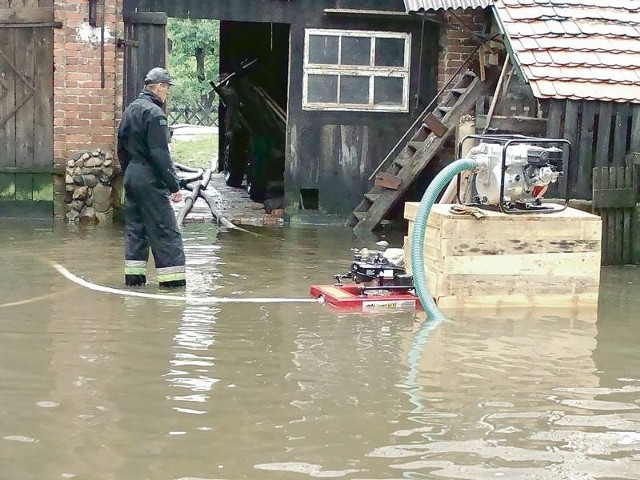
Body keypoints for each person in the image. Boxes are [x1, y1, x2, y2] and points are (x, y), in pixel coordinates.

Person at [117, 67, 186, 288]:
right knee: (165, 230)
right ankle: (173, 284)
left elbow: (121, 148)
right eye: (167, 88)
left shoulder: (130, 110)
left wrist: (129, 172)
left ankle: (134, 281)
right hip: (149, 177)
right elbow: (160, 154)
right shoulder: (155, 114)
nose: (168, 94)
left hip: (131, 175)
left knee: (136, 230)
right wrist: (174, 186)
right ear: (159, 87)